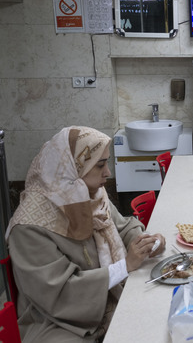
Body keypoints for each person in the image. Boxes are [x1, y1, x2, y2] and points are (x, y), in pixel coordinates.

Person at [6, 126, 167, 342]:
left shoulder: (90, 194)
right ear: (73, 168)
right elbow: (59, 294)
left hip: (103, 297)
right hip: (57, 323)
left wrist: (146, 242)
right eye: (100, 165)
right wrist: (124, 266)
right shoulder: (29, 226)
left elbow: (122, 226)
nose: (108, 172)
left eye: (106, 162)